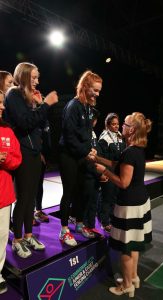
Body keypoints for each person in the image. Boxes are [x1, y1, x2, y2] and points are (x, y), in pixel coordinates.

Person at [94, 112, 152, 297]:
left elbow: (123, 182)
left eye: (125, 125)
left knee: (126, 248)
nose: (122, 127)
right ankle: (133, 277)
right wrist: (97, 158)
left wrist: (104, 171)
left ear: (132, 130)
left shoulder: (129, 152)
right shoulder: (135, 149)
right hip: (140, 201)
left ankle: (126, 286)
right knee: (134, 244)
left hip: (129, 205)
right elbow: (116, 163)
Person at [4, 62, 58, 258]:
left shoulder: (28, 97)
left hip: (35, 153)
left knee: (31, 197)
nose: (37, 81)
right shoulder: (13, 94)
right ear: (24, 76)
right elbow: (25, 122)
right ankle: (17, 239)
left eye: (38, 77)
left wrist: (38, 104)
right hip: (22, 153)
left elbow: (39, 125)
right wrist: (45, 105)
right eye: (33, 77)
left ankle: (28, 235)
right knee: (24, 198)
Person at [59, 70, 102, 246]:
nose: (98, 94)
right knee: (68, 192)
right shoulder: (73, 106)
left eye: (99, 91)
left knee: (82, 190)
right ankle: (63, 230)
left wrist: (90, 150)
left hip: (82, 155)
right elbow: (69, 137)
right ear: (85, 87)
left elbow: (85, 135)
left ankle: (79, 223)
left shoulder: (89, 107)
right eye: (95, 90)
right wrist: (87, 152)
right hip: (68, 155)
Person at [0, 91, 22, 294]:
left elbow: (16, 158)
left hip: (4, 194)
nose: (2, 107)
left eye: (2, 103)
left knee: (1, 236)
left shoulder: (7, 130)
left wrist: (4, 160)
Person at [98, 113, 126, 233]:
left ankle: (112, 218)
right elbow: (100, 157)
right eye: (113, 124)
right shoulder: (104, 138)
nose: (116, 126)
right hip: (108, 171)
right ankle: (104, 222)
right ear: (107, 125)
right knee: (107, 197)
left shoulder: (119, 136)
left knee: (115, 196)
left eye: (117, 124)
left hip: (118, 171)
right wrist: (103, 173)